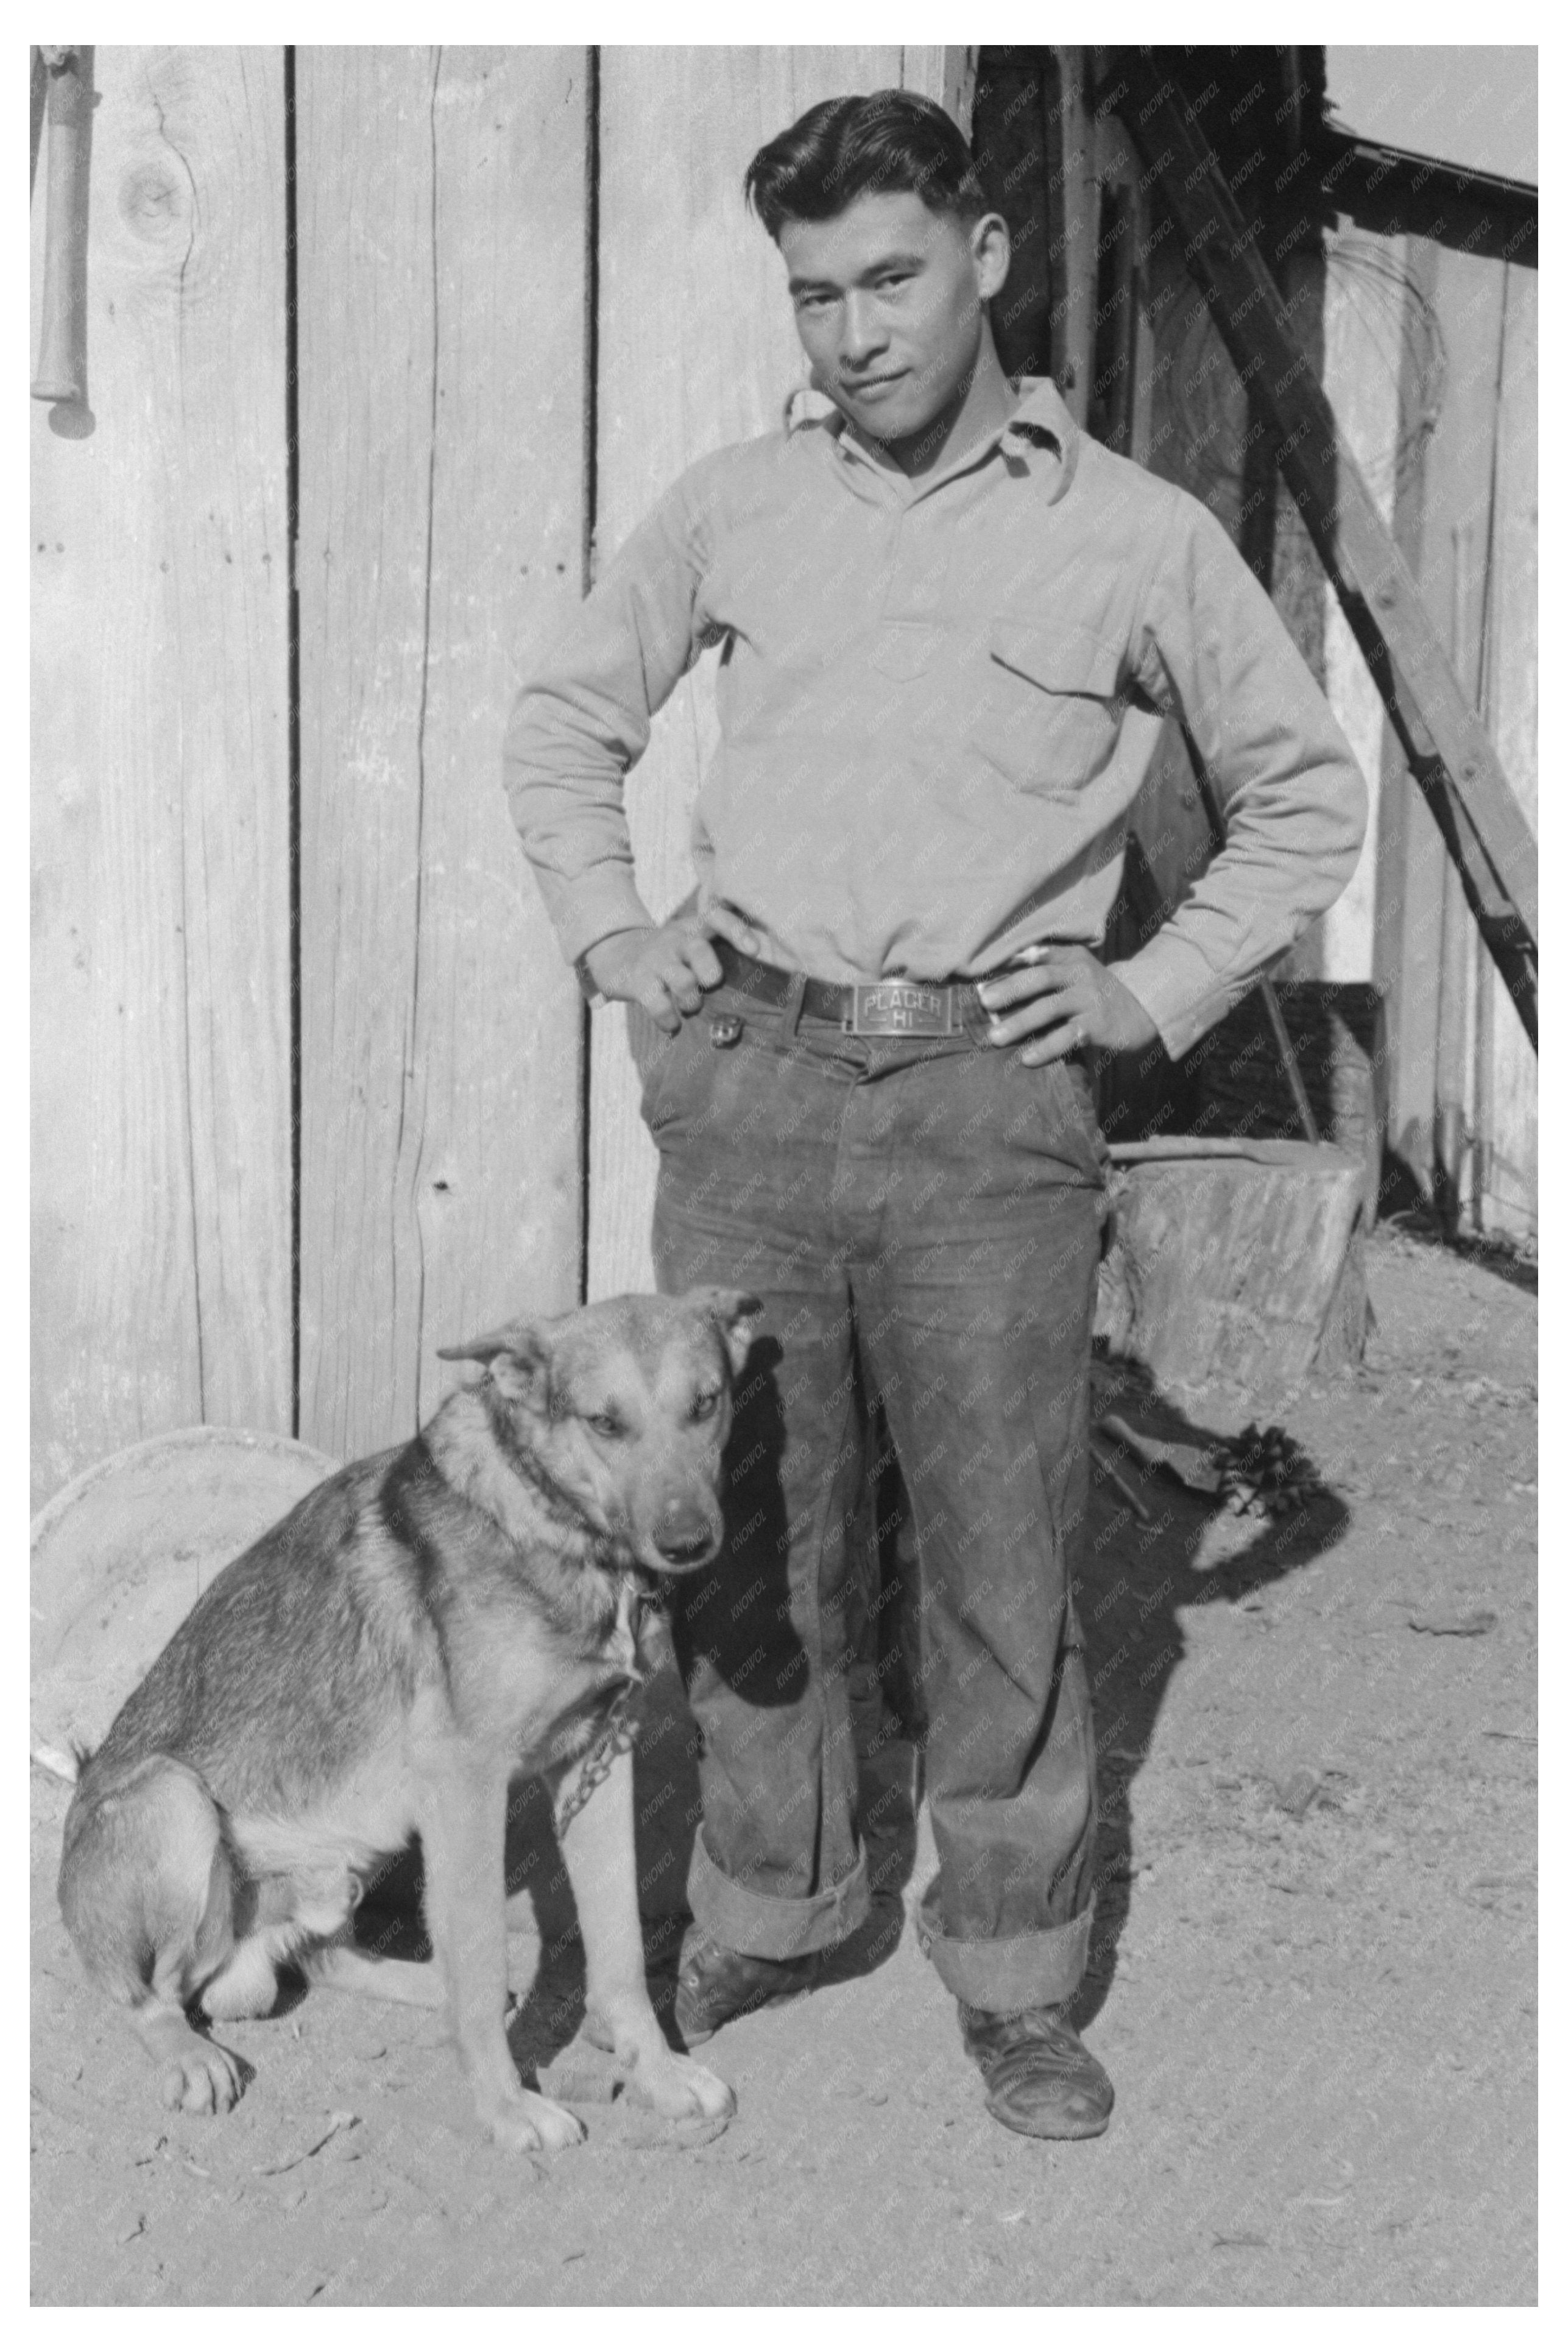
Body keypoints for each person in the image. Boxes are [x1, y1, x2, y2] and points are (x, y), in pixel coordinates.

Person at [503, 90, 1366, 2141]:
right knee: (748, 1554)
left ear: (983, 255)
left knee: (1003, 1561)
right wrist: (623, 938)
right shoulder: (737, 507)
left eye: (889, 277)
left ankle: (1014, 1968)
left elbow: (1307, 797)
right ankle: (777, 1899)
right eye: (814, 297)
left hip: (993, 1109)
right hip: (759, 1092)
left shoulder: (1131, 529)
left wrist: (1147, 991)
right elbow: (568, 725)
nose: (853, 332)